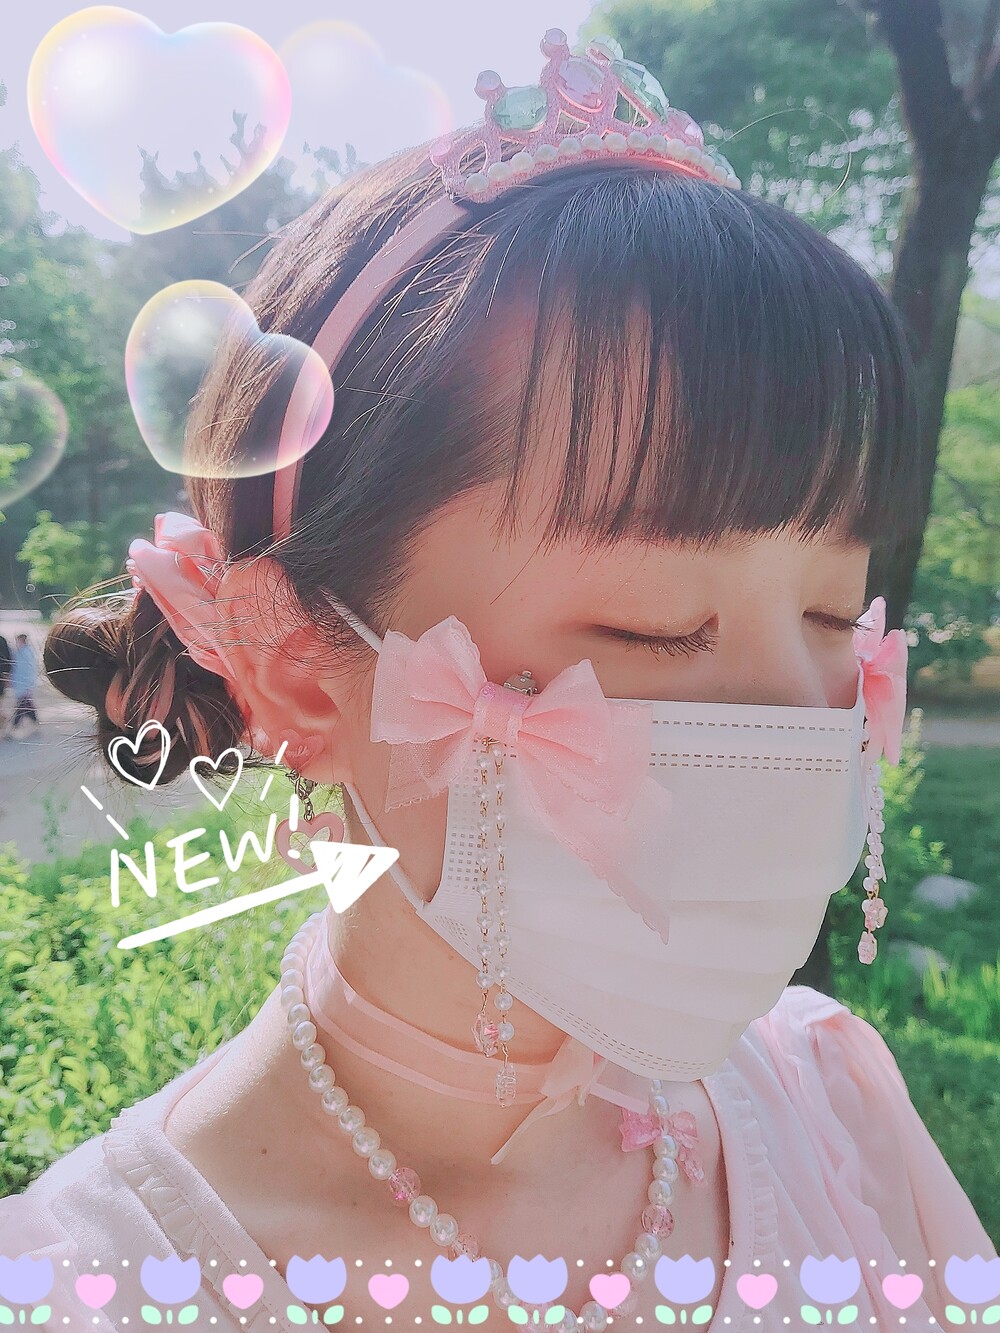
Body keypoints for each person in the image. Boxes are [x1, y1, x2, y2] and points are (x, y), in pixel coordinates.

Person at [1, 29, 996, 1332]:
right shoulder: (94, 1288)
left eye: (828, 612)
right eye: (656, 626)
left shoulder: (833, 1108)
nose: (799, 722)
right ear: (299, 670)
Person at [7, 632, 40, 734]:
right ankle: (34, 722)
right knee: (26, 705)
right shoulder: (19, 652)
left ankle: (13, 727)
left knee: (21, 706)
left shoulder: (26, 653)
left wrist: (28, 684)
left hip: (24, 684)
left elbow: (29, 670)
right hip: (20, 683)